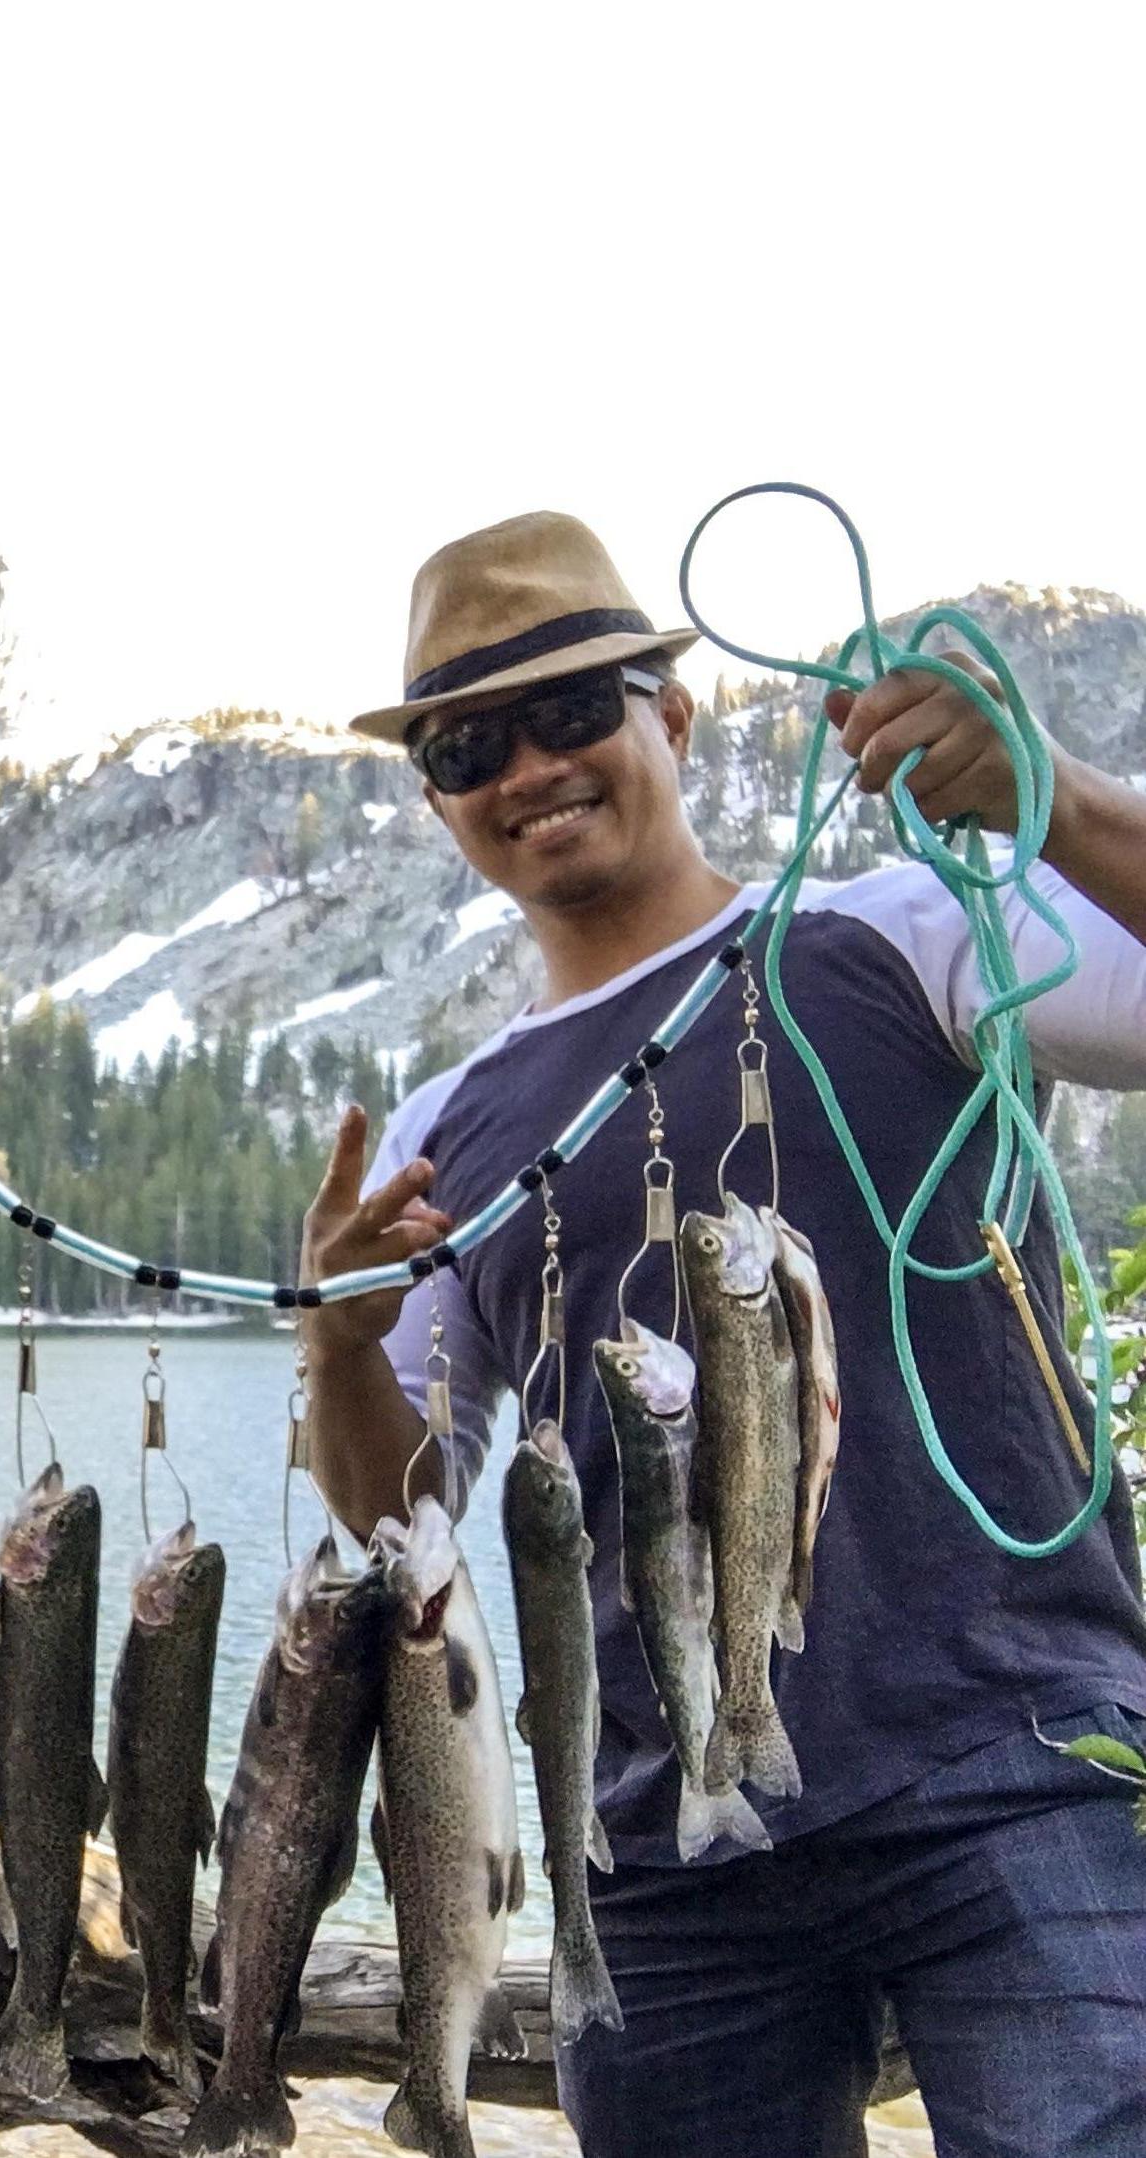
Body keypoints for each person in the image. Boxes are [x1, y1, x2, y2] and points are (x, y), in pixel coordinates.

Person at [300, 512, 1146, 2158]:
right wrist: (338, 1345)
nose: (528, 767)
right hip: (665, 1844)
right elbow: (399, 1503)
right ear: (440, 803)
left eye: (570, 711)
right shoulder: (444, 1129)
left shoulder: (909, 931)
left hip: (1016, 1753)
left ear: (670, 717)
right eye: (470, 744)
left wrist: (1053, 789)